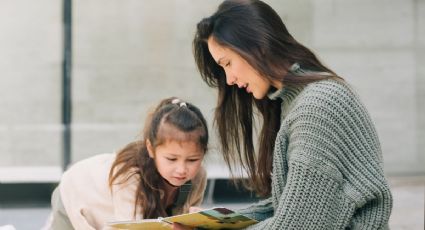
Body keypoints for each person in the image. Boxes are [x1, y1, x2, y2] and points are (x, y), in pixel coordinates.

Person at [192, 0, 393, 229]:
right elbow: (290, 208)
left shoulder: (316, 107)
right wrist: (216, 222)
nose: (229, 80)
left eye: (227, 63)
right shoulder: (294, 102)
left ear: (256, 46)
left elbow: (298, 224)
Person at [46, 97, 209, 230]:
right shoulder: (130, 176)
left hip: (114, 215)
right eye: (171, 159)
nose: (181, 169)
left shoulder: (198, 177)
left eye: (192, 160)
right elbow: (129, 227)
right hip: (77, 193)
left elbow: (176, 220)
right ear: (151, 149)